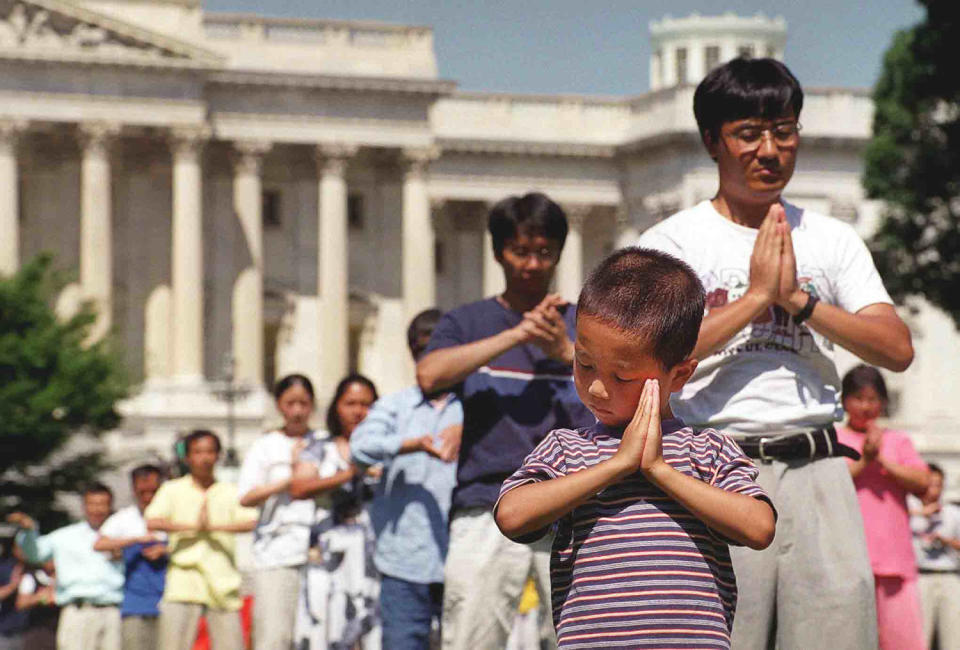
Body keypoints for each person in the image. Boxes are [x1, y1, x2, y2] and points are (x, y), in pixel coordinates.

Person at [636, 57, 914, 649]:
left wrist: (801, 303)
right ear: (713, 141)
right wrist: (756, 299)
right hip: (713, 465)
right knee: (719, 637)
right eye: (748, 134)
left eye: (783, 131)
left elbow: (895, 348)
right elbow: (640, 358)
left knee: (837, 635)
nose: (769, 150)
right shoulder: (671, 244)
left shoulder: (830, 239)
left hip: (819, 468)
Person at [495, 247, 776, 648]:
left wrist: (659, 469)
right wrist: (616, 466)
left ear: (678, 375)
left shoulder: (707, 449)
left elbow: (759, 526)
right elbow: (512, 514)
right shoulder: (568, 448)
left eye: (622, 377)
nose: (596, 387)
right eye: (584, 363)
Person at [416, 192, 594, 650]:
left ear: (558, 253)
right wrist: (516, 333)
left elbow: (620, 394)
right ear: (498, 252)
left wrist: (563, 353)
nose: (532, 264)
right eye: (520, 251)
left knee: (582, 638)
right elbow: (430, 374)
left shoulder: (585, 324)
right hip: (486, 505)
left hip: (572, 508)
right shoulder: (469, 321)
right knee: (473, 637)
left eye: (544, 253)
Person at [350, 309, 463, 650]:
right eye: (421, 349)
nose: (428, 357)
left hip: (463, 557)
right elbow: (360, 449)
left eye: (437, 348)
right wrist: (410, 444)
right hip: (404, 559)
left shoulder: (474, 408)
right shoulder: (394, 407)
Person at [836, 365, 929, 649]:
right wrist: (865, 460)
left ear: (884, 402)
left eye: (873, 399)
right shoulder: (835, 438)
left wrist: (882, 461)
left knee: (903, 642)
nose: (866, 406)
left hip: (894, 563)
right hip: (847, 560)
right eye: (859, 398)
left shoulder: (898, 441)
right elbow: (832, 484)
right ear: (845, 401)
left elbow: (923, 482)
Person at [144, 429, 257, 650]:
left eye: (210, 452)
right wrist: (193, 527)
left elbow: (251, 522)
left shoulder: (231, 491)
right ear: (187, 457)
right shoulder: (172, 489)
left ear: (218, 456)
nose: (204, 458)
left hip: (222, 581)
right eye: (198, 452)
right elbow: (153, 520)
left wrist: (213, 528)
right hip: (183, 581)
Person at [290, 374, 380, 649]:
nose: (358, 411)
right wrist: (350, 473)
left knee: (370, 629)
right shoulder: (319, 447)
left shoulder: (385, 448)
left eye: (366, 403)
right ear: (336, 407)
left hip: (372, 555)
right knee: (325, 626)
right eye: (350, 403)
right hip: (328, 555)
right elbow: (300, 487)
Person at [237, 374, 325, 650]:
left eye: (303, 403)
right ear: (279, 406)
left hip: (319, 553)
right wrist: (287, 481)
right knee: (274, 637)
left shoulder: (324, 442)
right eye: (290, 403)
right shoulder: (265, 446)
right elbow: (246, 497)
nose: (297, 411)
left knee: (316, 637)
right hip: (276, 553)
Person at [7, 485, 124, 650]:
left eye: (102, 504)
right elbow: (35, 553)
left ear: (110, 506)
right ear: (84, 506)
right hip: (78, 611)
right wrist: (28, 531)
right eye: (92, 504)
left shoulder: (122, 535)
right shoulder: (65, 536)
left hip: (112, 612)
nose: (97, 509)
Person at [94, 464, 168, 650]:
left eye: (153, 491)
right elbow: (99, 544)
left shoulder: (172, 514)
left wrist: (165, 550)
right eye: (142, 492)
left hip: (170, 601)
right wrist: (134, 540)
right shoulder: (124, 518)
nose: (148, 497)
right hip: (135, 604)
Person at [910, 464, 960, 648]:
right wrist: (920, 513)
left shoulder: (953, 513)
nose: (934, 490)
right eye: (930, 484)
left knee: (954, 637)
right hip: (920, 576)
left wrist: (947, 541)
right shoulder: (908, 511)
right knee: (920, 636)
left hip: (949, 574)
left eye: (938, 485)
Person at [14, 559, 58, 650]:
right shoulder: (31, 577)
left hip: (58, 630)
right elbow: (21, 603)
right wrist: (40, 597)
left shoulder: (65, 578)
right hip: (37, 632)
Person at [0, 536, 26, 650]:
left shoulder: (35, 567)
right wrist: (12, 586)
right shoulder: (4, 568)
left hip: (29, 632)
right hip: (6, 633)